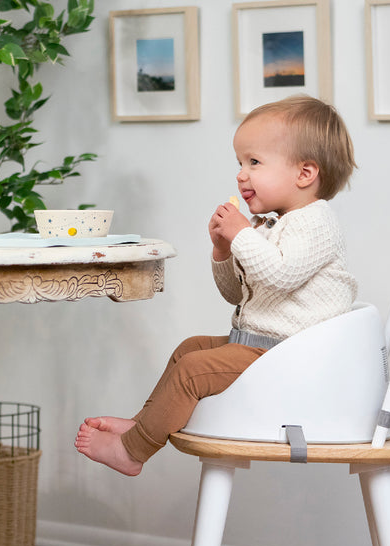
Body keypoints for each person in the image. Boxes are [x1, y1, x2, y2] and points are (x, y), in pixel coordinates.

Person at [75, 95, 358, 476]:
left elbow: (281, 274)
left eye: (254, 162)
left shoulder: (315, 223)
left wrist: (241, 235)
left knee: (193, 370)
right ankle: (145, 424)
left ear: (305, 174)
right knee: (188, 349)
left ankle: (133, 451)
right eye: (240, 163)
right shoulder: (270, 226)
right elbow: (237, 295)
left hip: (290, 359)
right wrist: (223, 250)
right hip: (262, 348)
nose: (241, 174)